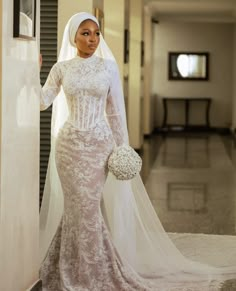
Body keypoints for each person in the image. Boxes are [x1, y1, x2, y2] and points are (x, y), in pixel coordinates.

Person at [39, 12, 236, 290]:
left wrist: (122, 149)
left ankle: (95, 272)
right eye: (85, 33)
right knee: (76, 208)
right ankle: (70, 268)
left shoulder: (108, 68)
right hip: (68, 147)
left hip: (98, 146)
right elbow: (42, 101)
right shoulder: (61, 68)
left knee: (88, 207)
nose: (92, 39)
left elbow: (116, 112)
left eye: (96, 33)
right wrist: (26, 73)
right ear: (73, 36)